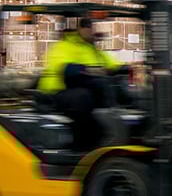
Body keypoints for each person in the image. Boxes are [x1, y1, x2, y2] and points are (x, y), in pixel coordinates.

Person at [37, 18, 120, 149]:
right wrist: (89, 70)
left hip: (81, 87)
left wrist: (125, 67)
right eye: (88, 27)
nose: (92, 30)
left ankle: (114, 131)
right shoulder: (64, 45)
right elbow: (65, 68)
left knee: (118, 89)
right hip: (58, 91)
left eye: (92, 27)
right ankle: (85, 144)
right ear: (80, 29)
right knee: (83, 98)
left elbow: (111, 64)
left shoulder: (90, 48)